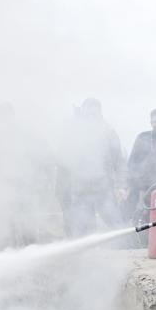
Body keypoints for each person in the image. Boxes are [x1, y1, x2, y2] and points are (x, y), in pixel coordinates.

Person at [55, 98, 126, 237]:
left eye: (94, 112)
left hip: (104, 187)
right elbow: (63, 159)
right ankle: (84, 254)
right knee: (81, 225)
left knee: (115, 222)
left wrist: (121, 185)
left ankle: (125, 250)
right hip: (80, 187)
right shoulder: (73, 133)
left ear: (99, 113)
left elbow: (119, 161)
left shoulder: (108, 132)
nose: (91, 116)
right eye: (88, 112)